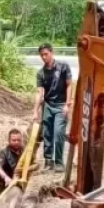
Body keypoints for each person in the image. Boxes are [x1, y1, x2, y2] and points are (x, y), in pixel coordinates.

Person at [33, 43, 73, 172]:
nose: (44, 57)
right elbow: (39, 93)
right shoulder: (41, 73)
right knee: (47, 134)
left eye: (46, 54)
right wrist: (35, 111)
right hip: (48, 105)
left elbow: (69, 85)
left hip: (61, 105)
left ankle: (59, 162)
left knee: (58, 133)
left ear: (51, 53)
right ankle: (48, 161)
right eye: (42, 55)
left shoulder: (63, 67)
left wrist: (67, 104)